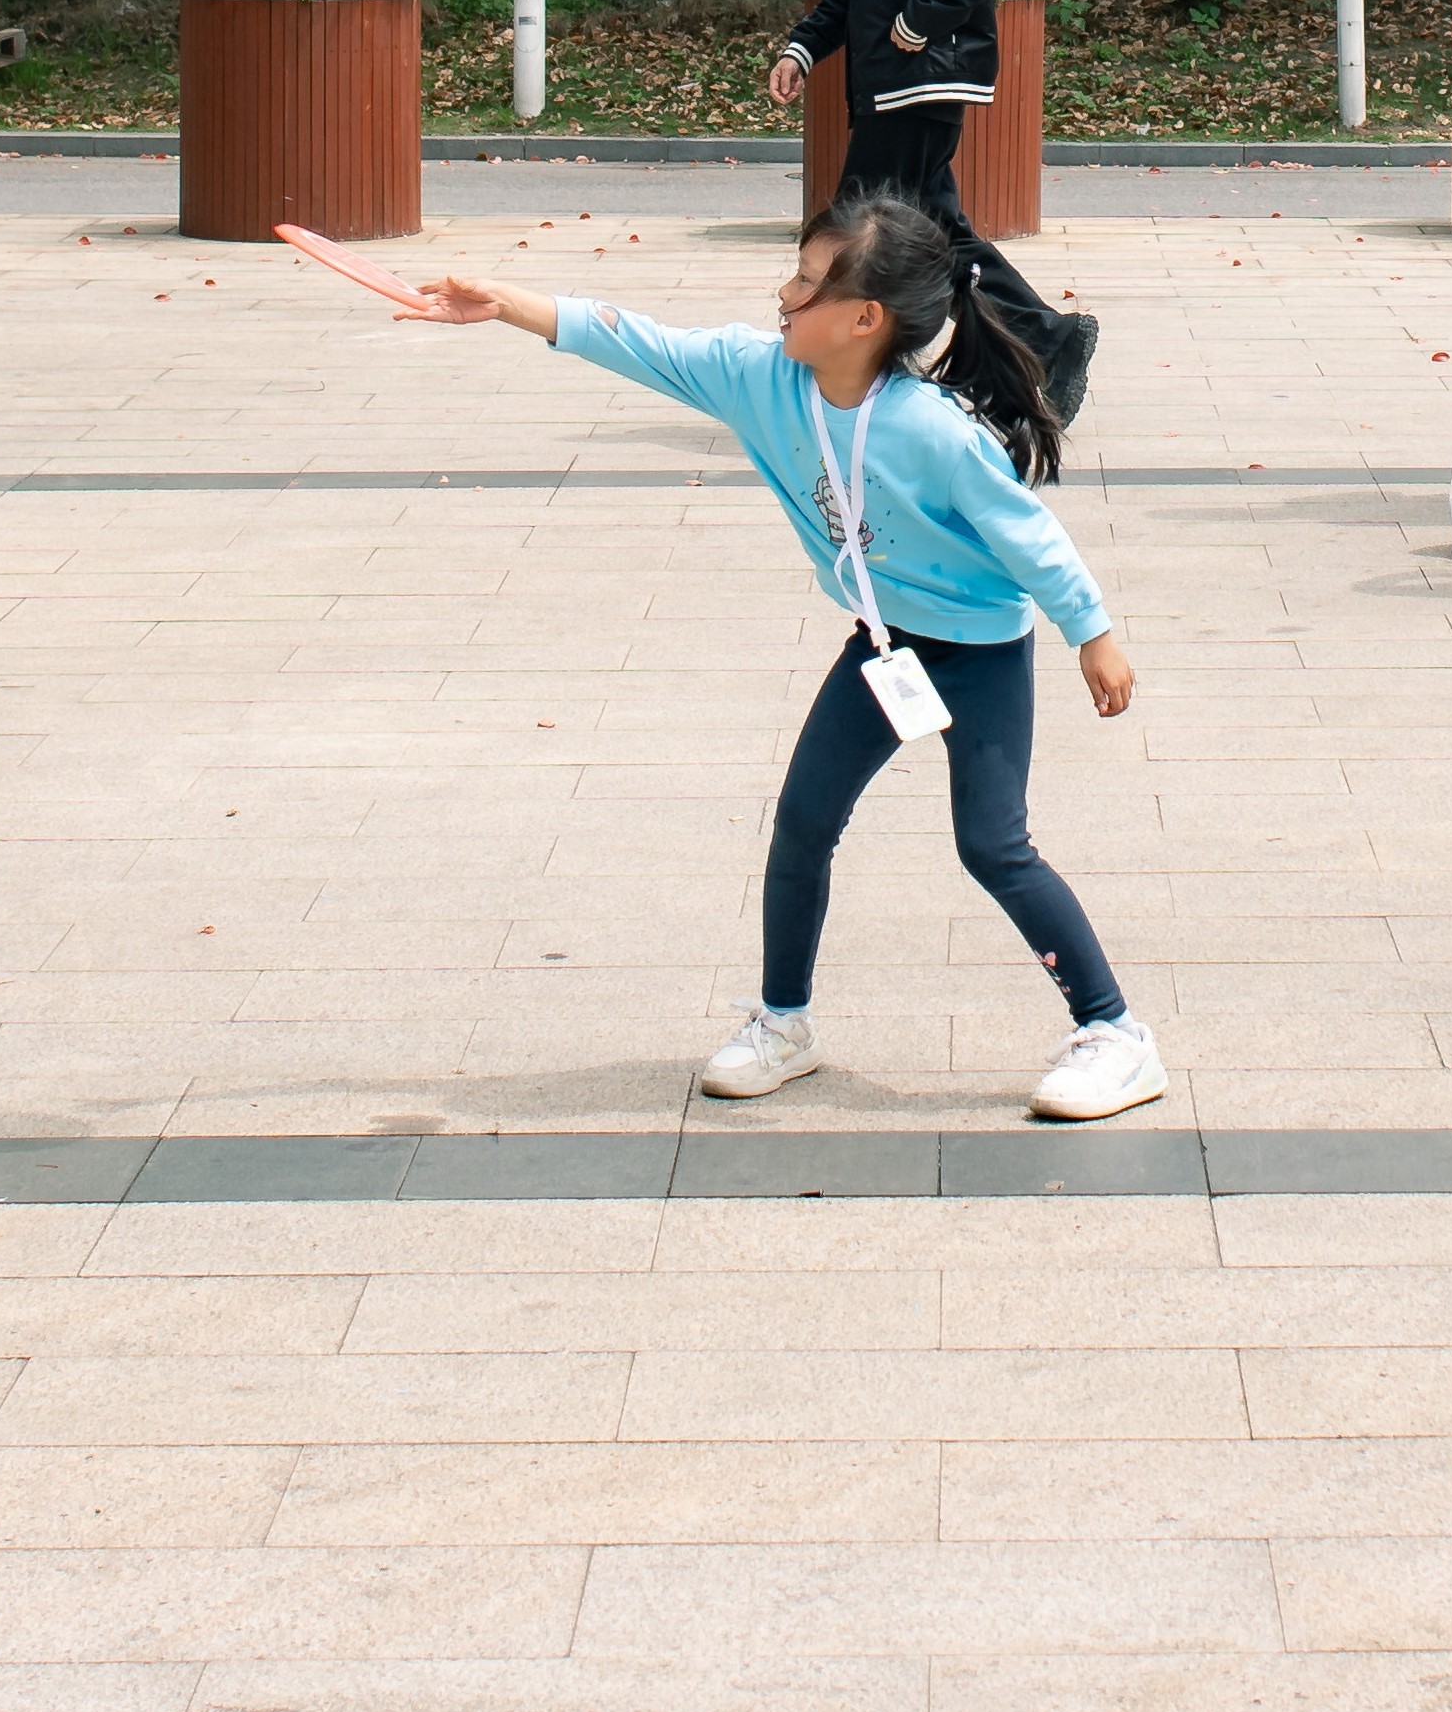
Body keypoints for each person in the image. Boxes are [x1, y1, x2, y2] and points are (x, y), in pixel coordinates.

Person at [412, 197, 1162, 1121]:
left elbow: (1029, 536)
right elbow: (633, 338)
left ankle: (1114, 1034)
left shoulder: (935, 430)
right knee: (803, 823)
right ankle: (782, 1023)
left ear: (864, 318)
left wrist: (1092, 633)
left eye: (807, 282)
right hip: (883, 644)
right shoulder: (757, 379)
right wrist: (504, 302)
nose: (784, 293)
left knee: (992, 846)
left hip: (980, 653)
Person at [770, 0, 1095, 418]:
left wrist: (916, 22)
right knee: (931, 237)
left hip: (916, 87)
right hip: (897, 88)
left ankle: (840, 377)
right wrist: (801, 50)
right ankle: (1043, 343)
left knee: (857, 236)